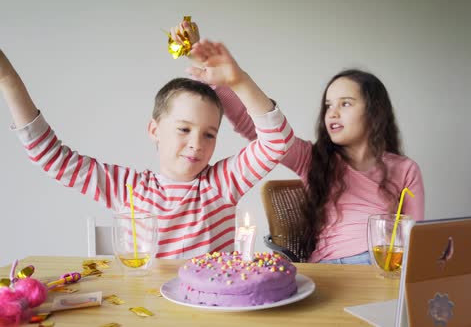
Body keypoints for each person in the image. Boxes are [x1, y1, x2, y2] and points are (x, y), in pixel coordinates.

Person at [0, 40, 294, 259]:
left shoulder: (222, 183)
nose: (196, 144)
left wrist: (237, 81)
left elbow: (277, 140)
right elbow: (50, 155)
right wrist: (7, 79)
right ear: (155, 130)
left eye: (209, 134)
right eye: (184, 129)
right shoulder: (127, 188)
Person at [171, 20, 424, 264]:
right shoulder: (312, 159)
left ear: (374, 111)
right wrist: (218, 75)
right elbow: (256, 126)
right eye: (328, 106)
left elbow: (416, 239)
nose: (332, 113)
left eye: (345, 103)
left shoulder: (405, 169)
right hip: (330, 269)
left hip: (381, 267)